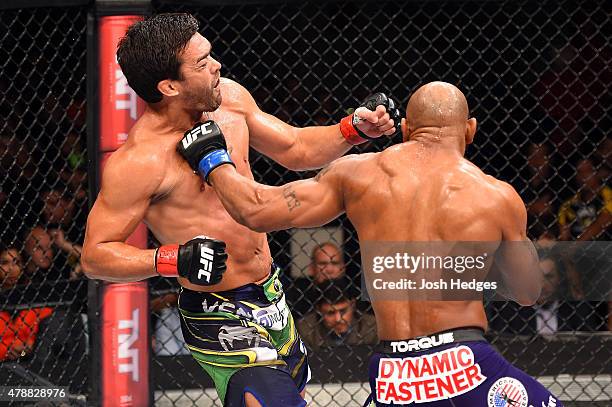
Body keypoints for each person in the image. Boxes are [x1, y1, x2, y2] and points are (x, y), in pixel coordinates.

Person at [80, 13, 399, 407]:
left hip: (273, 293)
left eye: (210, 55)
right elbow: (95, 256)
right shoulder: (139, 162)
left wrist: (352, 130)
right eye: (201, 63)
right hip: (217, 313)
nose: (217, 66)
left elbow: (296, 148)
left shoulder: (228, 98)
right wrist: (170, 259)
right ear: (168, 86)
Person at [186, 81, 563, 406]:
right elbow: (528, 292)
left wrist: (212, 159)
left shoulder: (357, 174)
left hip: (394, 376)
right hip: (466, 367)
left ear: (405, 128)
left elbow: (257, 210)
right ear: (470, 129)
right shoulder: (497, 196)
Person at [297, 281, 377, 351]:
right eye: (330, 313)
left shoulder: (371, 327)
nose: (338, 319)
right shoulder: (305, 329)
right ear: (319, 310)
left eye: (343, 311)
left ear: (352, 305)